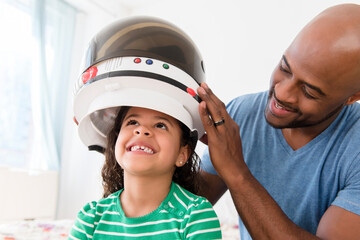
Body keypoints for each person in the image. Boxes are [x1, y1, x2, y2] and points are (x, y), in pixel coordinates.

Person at [196, 3, 360, 240]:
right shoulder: (241, 114)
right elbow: (182, 209)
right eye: (285, 68)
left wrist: (236, 171)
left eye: (309, 92)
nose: (282, 94)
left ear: (352, 97)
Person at [69, 16, 221, 239]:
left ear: (182, 153)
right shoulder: (91, 218)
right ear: (115, 142)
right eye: (132, 122)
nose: (142, 130)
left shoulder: (195, 215)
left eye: (160, 124)